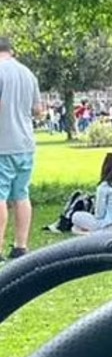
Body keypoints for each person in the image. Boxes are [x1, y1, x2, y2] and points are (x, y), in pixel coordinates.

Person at [0, 37, 42, 261]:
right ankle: (20, 246)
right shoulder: (28, 74)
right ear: (12, 51)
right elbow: (38, 110)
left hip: (2, 144)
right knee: (21, 194)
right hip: (25, 144)